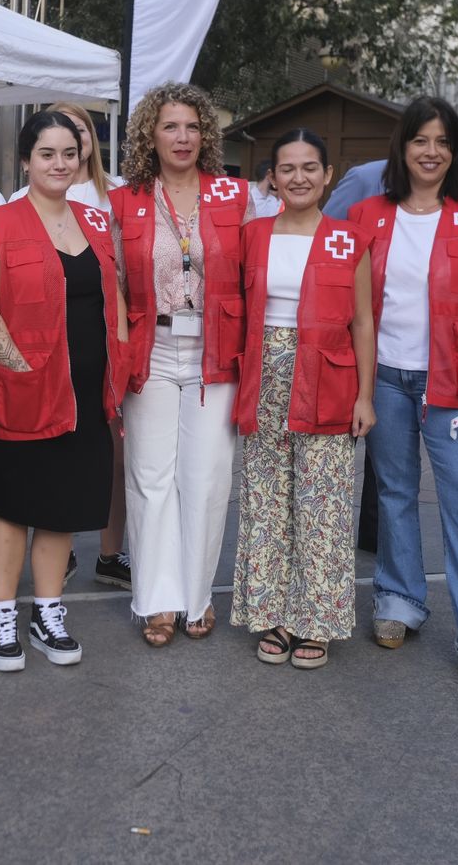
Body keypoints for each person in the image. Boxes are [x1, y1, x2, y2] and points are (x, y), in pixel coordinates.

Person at [349, 96, 458, 691]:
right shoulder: (369, 214)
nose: (431, 152)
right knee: (393, 491)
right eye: (420, 140)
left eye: (442, 142)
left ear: (454, 152)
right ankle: (398, 599)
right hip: (389, 378)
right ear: (402, 147)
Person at [0, 110, 128, 670]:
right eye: (46, 154)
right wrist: (21, 369)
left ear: (81, 159)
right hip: (23, 391)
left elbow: (116, 300)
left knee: (62, 508)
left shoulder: (94, 221)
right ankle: (4, 614)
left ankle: (48, 611)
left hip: (86, 392)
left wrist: (121, 365)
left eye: (69, 153)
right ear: (25, 160)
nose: (59, 163)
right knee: (12, 506)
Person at [111, 82, 250, 647]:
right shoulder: (123, 201)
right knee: (149, 478)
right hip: (152, 349)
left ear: (206, 135)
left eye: (193, 126)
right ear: (150, 133)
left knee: (207, 479)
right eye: (170, 126)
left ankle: (195, 597)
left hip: (215, 353)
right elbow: (113, 284)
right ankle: (156, 600)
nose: (183, 136)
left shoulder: (236, 197)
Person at [231, 129, 375, 668]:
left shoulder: (347, 238)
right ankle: (270, 614)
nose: (299, 178)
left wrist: (365, 395)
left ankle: (315, 620)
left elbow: (363, 321)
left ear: (328, 175)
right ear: (273, 176)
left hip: (329, 375)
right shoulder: (254, 234)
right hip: (264, 375)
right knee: (267, 497)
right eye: (287, 169)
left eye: (310, 167)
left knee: (324, 502)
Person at [12, 102, 132, 587]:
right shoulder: (22, 198)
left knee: (112, 457)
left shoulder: (116, 195)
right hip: (46, 350)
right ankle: (55, 555)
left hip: (101, 342)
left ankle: (109, 551)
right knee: (53, 457)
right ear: (33, 155)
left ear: (88, 140)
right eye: (51, 146)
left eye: (77, 134)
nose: (64, 152)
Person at [322, 158, 389, 554]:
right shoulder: (367, 177)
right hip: (360, 322)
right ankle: (373, 534)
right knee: (376, 442)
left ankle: (379, 535)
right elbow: (322, 230)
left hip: (417, 333)